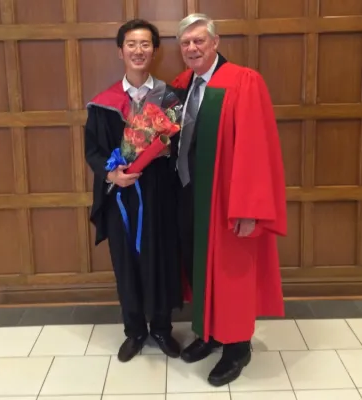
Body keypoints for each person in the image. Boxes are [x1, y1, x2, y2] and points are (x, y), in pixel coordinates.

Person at [170, 14, 287, 386]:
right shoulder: (182, 84)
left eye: (199, 41)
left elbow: (255, 148)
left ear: (215, 42)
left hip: (226, 200)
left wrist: (249, 209)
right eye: (186, 43)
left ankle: (237, 348)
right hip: (189, 195)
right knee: (199, 266)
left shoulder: (243, 81)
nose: (192, 48)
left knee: (231, 272)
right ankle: (210, 334)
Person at [84, 19, 184, 363]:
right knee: (125, 263)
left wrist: (166, 149)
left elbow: (183, 145)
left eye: (145, 44)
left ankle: (162, 328)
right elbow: (93, 151)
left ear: (154, 51)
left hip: (160, 193)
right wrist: (112, 173)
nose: (138, 50)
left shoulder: (170, 99)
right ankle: (135, 331)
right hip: (121, 197)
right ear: (120, 51)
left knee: (161, 258)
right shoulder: (104, 103)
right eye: (131, 44)